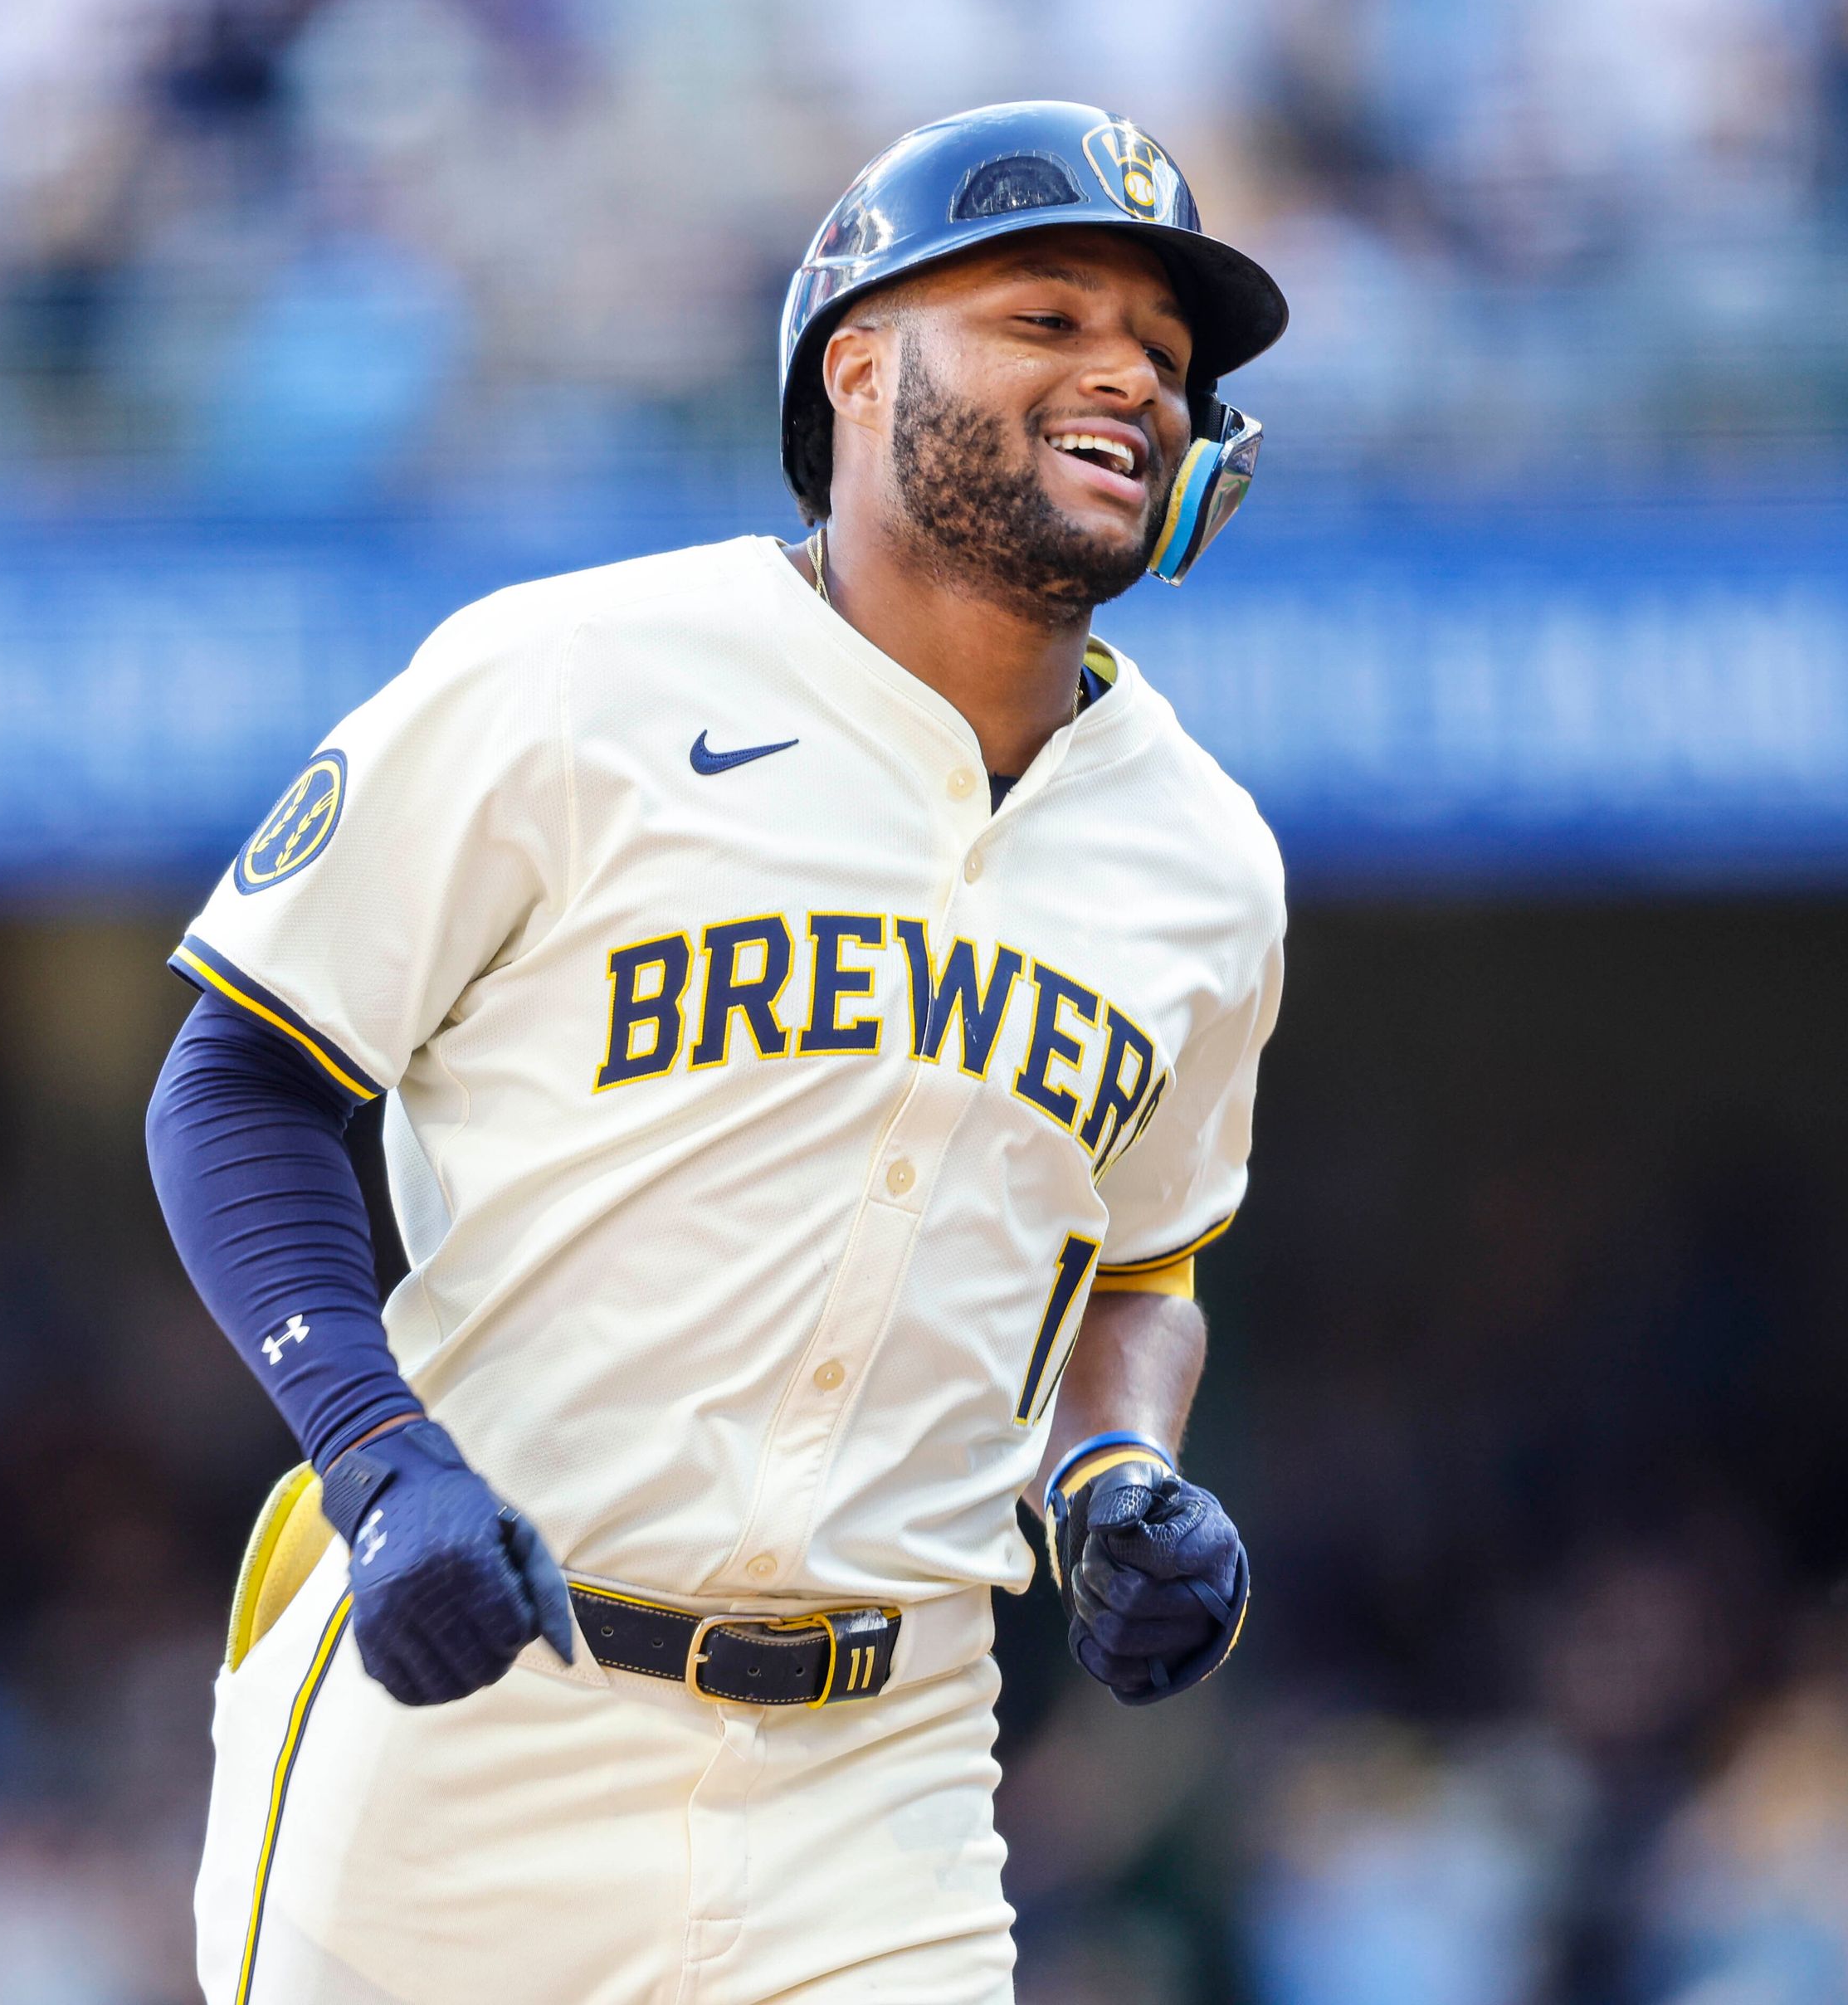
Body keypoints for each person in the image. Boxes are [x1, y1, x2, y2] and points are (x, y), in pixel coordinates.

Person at [146, 100, 1288, 2005]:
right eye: (1049, 319)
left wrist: (1115, 1470)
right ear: (858, 366)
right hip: (474, 1713)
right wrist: (369, 1442)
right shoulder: (570, 677)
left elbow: (1143, 1258)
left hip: (883, 1769)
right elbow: (242, 1074)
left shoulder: (1206, 859)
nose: (1127, 375)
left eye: (1164, 356)